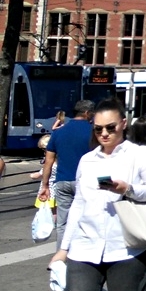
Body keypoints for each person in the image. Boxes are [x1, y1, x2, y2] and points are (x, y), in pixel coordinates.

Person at [48, 98, 146, 291]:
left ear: (124, 123)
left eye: (110, 127)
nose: (104, 134)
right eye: (98, 129)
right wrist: (63, 249)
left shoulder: (141, 155)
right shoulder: (87, 160)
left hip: (127, 248)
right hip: (84, 247)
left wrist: (128, 189)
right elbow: (78, 204)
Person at [39, 99, 95, 245]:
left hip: (62, 181)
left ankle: (61, 256)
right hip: (86, 182)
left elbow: (48, 161)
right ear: (88, 113)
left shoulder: (58, 133)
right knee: (86, 220)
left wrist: (45, 185)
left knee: (62, 223)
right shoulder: (94, 132)